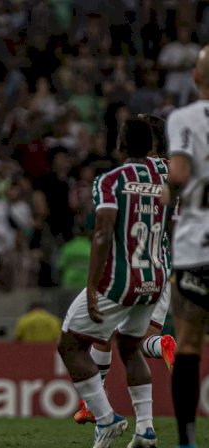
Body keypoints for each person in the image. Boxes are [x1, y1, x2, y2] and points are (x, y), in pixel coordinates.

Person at [57, 118, 174, 448]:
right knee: (130, 347)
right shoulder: (169, 178)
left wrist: (93, 286)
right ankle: (145, 430)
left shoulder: (110, 180)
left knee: (70, 344)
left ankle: (105, 417)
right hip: (155, 276)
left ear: (120, 145)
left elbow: (103, 231)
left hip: (120, 279)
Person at [160, 45, 209, 448]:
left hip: (197, 247)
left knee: (189, 343)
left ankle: (187, 440)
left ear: (195, 78)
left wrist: (165, 191)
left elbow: (178, 172)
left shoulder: (185, 118)